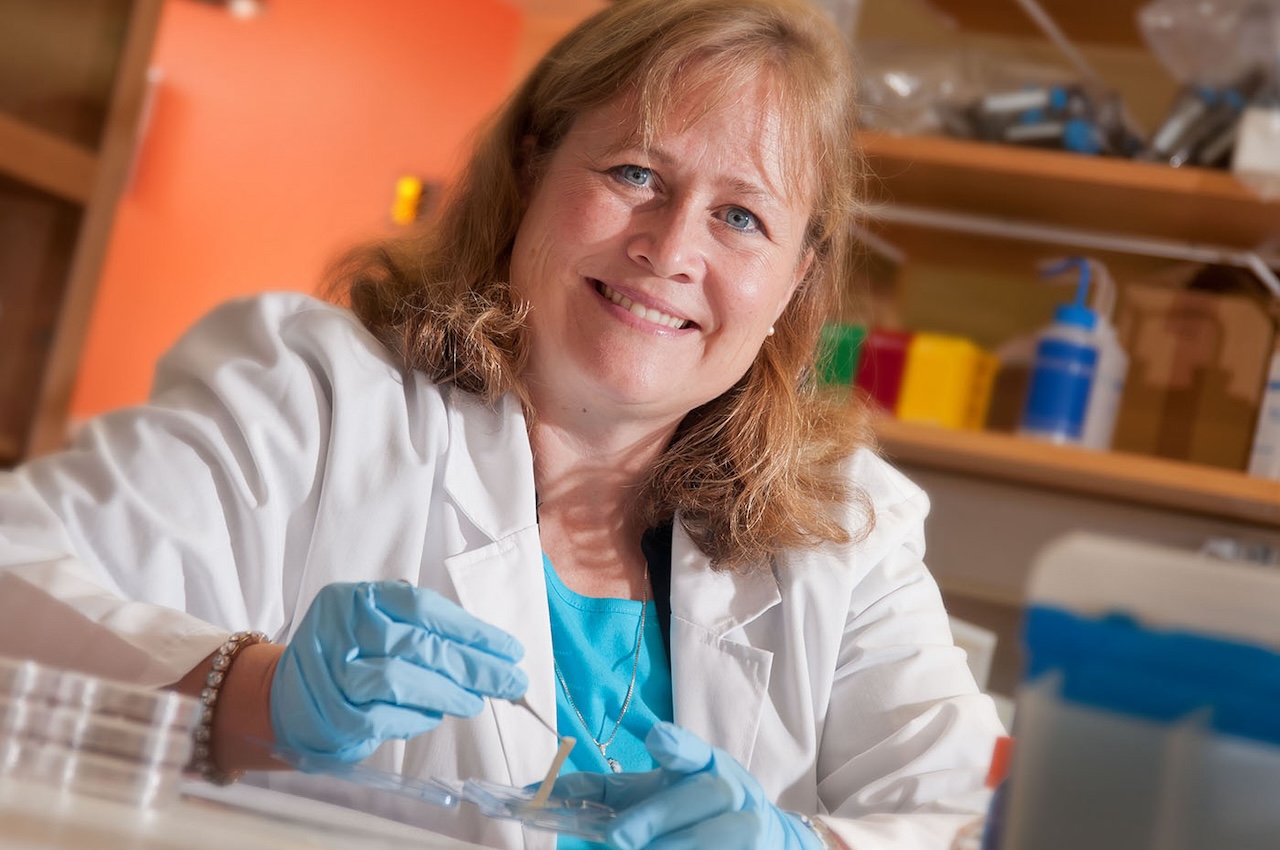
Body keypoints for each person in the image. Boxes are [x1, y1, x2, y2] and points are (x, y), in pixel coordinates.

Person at [0, 0, 1005, 848]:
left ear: (790, 281)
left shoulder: (843, 526)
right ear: (530, 176)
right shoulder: (310, 397)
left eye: (740, 217)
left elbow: (970, 811)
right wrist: (251, 690)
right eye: (634, 175)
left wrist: (794, 847)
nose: (668, 249)